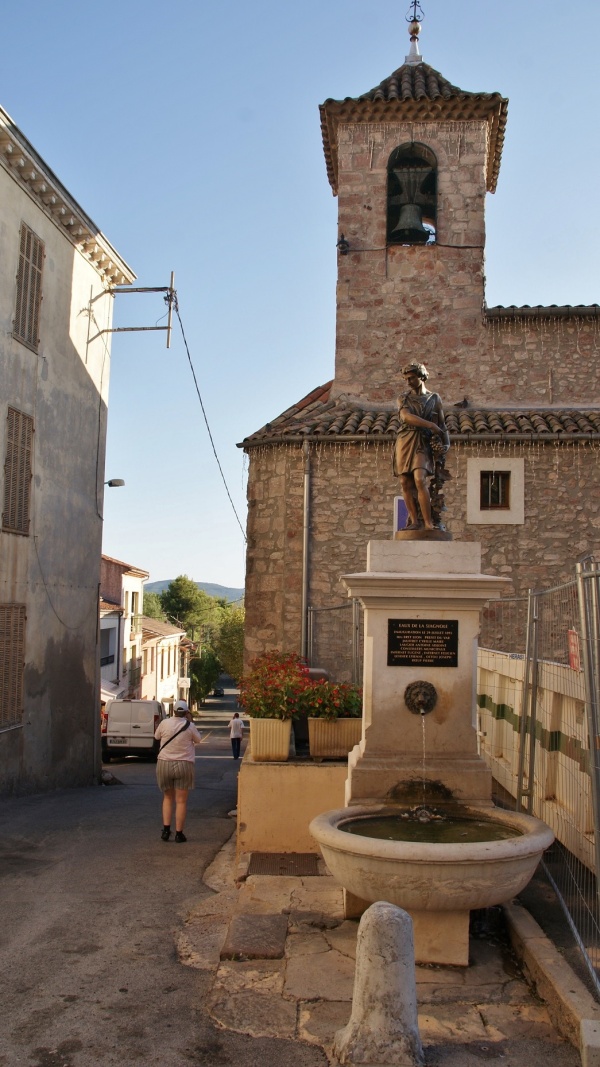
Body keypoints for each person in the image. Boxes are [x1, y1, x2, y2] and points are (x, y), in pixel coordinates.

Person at [393, 361, 449, 530]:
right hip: (405, 439)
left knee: (419, 479)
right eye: (406, 379)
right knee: (405, 482)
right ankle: (414, 521)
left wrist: (446, 442)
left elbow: (442, 424)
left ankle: (428, 523)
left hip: (422, 442)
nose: (408, 382)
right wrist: (431, 426)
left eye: (411, 378)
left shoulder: (434, 398)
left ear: (422, 377)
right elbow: (406, 417)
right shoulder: (403, 398)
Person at [154, 699, 202, 843]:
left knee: (167, 798)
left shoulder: (164, 723)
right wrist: (189, 720)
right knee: (181, 801)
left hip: (164, 763)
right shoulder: (190, 726)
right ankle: (179, 834)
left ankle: (166, 830)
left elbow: (157, 736)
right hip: (184, 764)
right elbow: (198, 740)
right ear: (186, 712)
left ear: (173, 711)